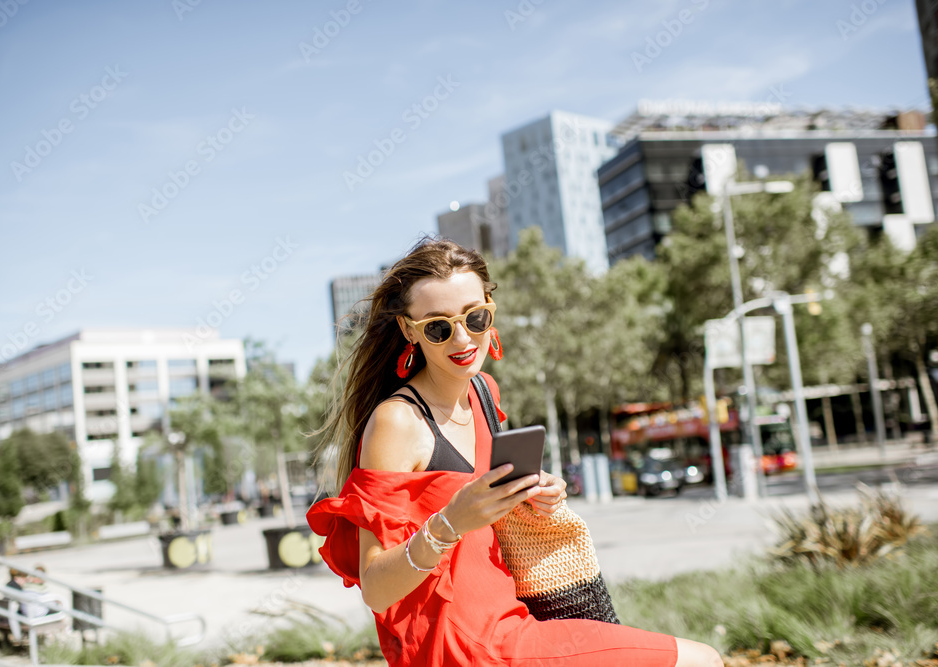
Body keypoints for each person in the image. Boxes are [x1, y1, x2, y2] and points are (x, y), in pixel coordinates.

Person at [306, 237, 723, 666]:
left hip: (518, 617)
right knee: (701, 660)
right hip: (464, 644)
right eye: (438, 326)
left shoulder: (484, 392)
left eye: (475, 316)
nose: (462, 338)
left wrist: (536, 495)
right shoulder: (397, 423)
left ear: (491, 307)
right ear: (409, 330)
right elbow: (375, 589)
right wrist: (448, 524)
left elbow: (490, 513)